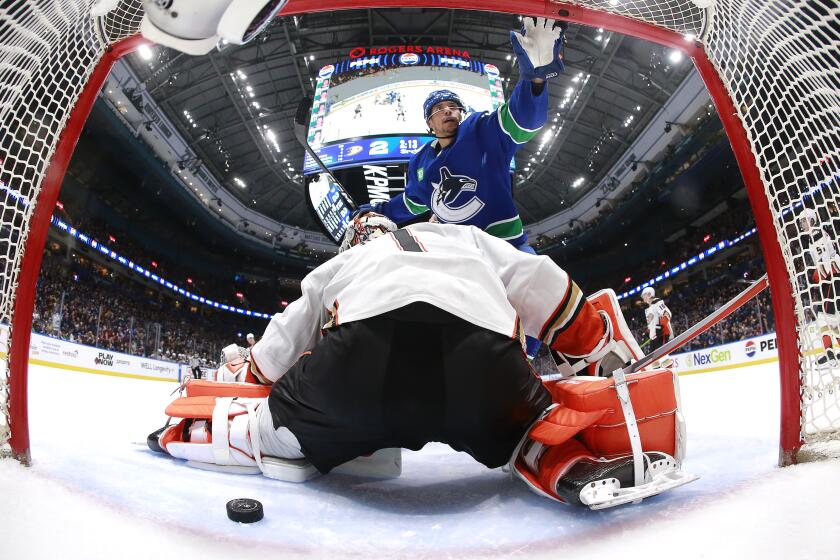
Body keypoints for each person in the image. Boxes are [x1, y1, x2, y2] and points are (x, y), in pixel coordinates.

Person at [149, 215, 695, 508]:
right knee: (529, 428)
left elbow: (276, 350)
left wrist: (249, 383)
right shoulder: (461, 237)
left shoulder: (347, 260)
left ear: (361, 237)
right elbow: (539, 280)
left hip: (358, 364)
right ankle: (563, 460)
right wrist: (591, 344)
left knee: (275, 429)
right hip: (480, 363)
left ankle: (224, 434)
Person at [356, 17, 566, 359]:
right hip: (461, 259)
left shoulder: (481, 130)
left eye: (453, 106)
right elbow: (411, 203)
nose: (448, 112)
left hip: (506, 246)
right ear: (429, 122)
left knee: (543, 293)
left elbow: (522, 120)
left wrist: (536, 79)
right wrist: (378, 210)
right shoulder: (421, 163)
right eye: (439, 109)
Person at [801, 208, 840, 365]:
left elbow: (826, 259)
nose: (801, 224)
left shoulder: (816, 234)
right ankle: (830, 353)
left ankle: (830, 355)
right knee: (832, 320)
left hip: (832, 278)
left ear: (811, 220)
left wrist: (820, 273)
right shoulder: (814, 235)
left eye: (804, 221)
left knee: (825, 319)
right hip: (831, 278)